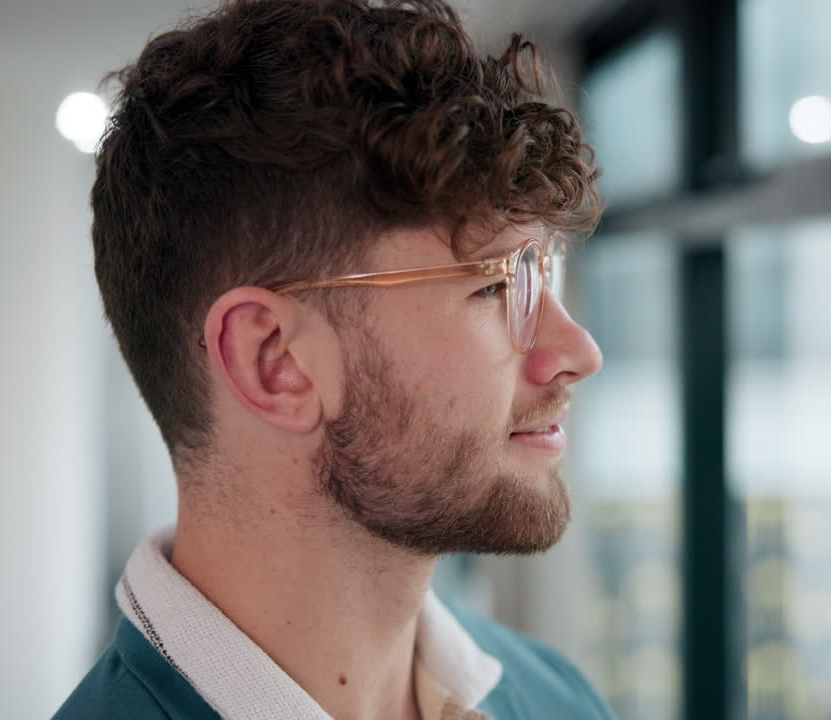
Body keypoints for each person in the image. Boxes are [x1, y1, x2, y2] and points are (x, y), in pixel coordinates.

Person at [55, 0, 612, 717]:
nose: (577, 352)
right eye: (495, 286)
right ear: (275, 361)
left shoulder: (557, 698)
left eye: (547, 270)